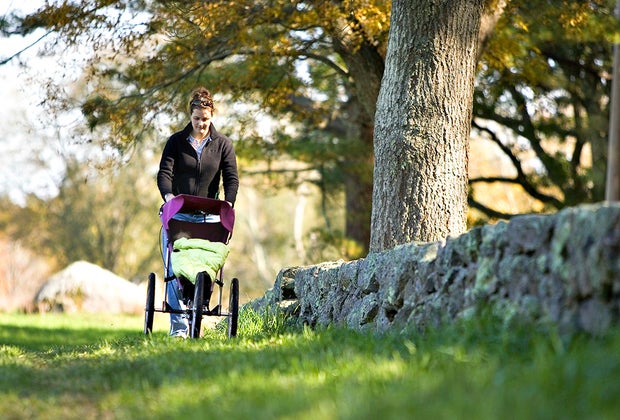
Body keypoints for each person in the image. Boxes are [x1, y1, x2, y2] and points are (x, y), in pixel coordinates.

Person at [157, 87, 239, 338]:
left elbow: (231, 178)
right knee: (175, 269)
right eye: (196, 119)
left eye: (205, 119)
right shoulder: (176, 142)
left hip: (209, 217)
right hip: (179, 215)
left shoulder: (223, 144)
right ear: (190, 116)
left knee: (205, 267)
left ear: (212, 116)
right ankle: (180, 330)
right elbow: (164, 174)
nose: (201, 124)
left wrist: (229, 203)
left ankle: (199, 310)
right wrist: (169, 197)